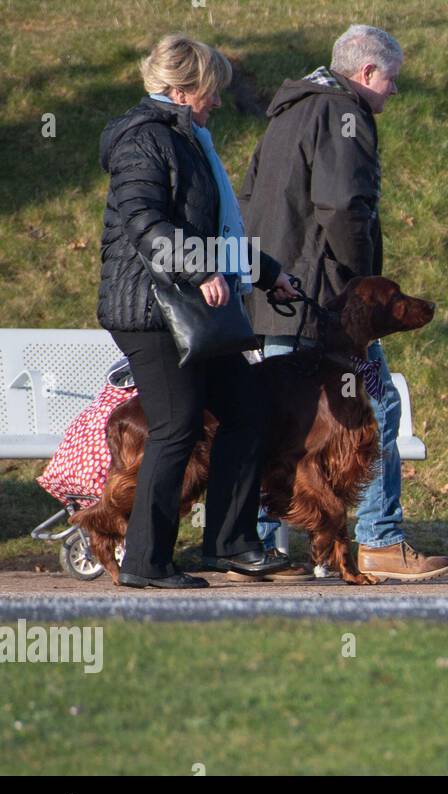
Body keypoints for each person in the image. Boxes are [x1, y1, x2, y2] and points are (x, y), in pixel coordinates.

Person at [240, 25, 448, 581]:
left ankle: (254, 547)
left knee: (275, 420)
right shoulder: (342, 114)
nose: (393, 92)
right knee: (375, 409)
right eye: (392, 80)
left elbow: (247, 200)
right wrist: (366, 285)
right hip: (325, 303)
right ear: (365, 74)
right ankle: (379, 540)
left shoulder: (287, 112)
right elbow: (341, 205)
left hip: (276, 294)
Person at [98, 34, 299, 589]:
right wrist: (199, 268)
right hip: (150, 309)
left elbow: (209, 231)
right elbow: (144, 221)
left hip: (190, 305)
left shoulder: (188, 138)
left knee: (247, 407)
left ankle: (230, 543)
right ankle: (146, 561)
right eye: (212, 92)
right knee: (176, 426)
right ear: (186, 90)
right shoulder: (145, 141)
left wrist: (267, 272)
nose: (217, 102)